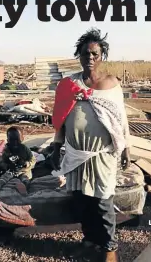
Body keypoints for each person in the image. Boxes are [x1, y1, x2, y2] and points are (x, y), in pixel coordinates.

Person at [51, 28, 131, 262]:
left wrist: (126, 148)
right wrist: (56, 147)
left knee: (103, 201)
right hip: (76, 154)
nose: (90, 58)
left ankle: (109, 249)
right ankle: (90, 240)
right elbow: (60, 119)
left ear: (102, 56)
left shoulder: (111, 84)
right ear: (79, 55)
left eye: (95, 54)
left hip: (102, 155)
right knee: (83, 200)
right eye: (86, 53)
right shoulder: (68, 85)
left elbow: (121, 119)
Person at [0, 126, 36, 196]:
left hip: (24, 171)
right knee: (3, 178)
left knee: (25, 179)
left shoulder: (25, 149)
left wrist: (26, 164)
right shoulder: (6, 149)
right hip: (11, 170)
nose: (14, 143)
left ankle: (23, 189)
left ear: (22, 139)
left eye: (17, 140)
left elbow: (33, 160)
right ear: (8, 140)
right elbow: (3, 161)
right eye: (11, 140)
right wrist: (6, 165)